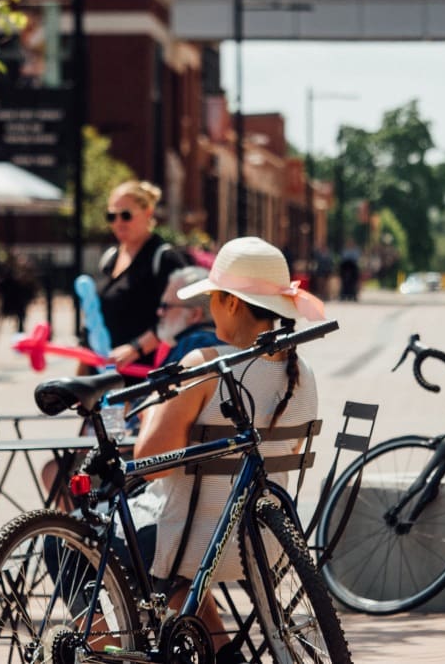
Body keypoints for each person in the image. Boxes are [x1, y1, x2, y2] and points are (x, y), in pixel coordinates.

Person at [133, 236, 325, 662]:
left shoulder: (205, 364)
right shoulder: (302, 373)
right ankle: (222, 652)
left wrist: (149, 416)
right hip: (263, 546)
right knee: (175, 556)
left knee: (72, 543)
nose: (208, 310)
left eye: (213, 299)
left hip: (187, 543)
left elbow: (148, 465)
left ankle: (101, 646)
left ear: (232, 303)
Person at [97, 180, 187, 369]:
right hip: (104, 370)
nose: (118, 222)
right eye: (112, 216)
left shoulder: (164, 258)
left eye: (126, 215)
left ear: (148, 213)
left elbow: (181, 313)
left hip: (145, 375)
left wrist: (135, 348)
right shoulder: (109, 258)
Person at [155, 265, 221, 367]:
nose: (160, 312)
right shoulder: (215, 339)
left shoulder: (195, 343)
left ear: (195, 315)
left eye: (166, 306)